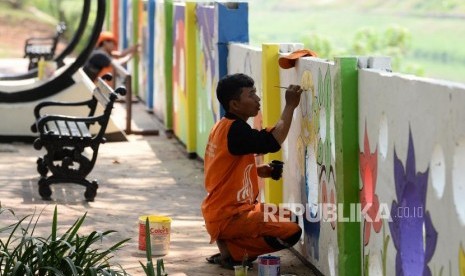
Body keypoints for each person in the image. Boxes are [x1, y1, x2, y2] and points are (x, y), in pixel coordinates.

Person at [202, 73, 304, 270]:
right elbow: (272, 141)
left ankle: (231, 246)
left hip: (231, 209)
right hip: (230, 215)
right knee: (292, 232)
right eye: (251, 94)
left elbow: (221, 169)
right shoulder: (235, 131)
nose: (257, 99)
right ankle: (234, 252)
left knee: (290, 217)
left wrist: (259, 170)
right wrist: (290, 105)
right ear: (235, 104)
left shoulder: (225, 126)